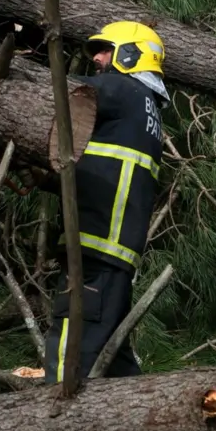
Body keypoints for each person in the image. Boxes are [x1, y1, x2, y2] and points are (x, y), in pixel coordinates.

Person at [44, 21, 170, 383]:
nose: (97, 58)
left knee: (69, 360)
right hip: (112, 250)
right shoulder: (144, 109)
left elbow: (60, 98)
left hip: (97, 248)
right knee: (114, 362)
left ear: (131, 56)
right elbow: (103, 168)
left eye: (106, 50)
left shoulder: (120, 88)